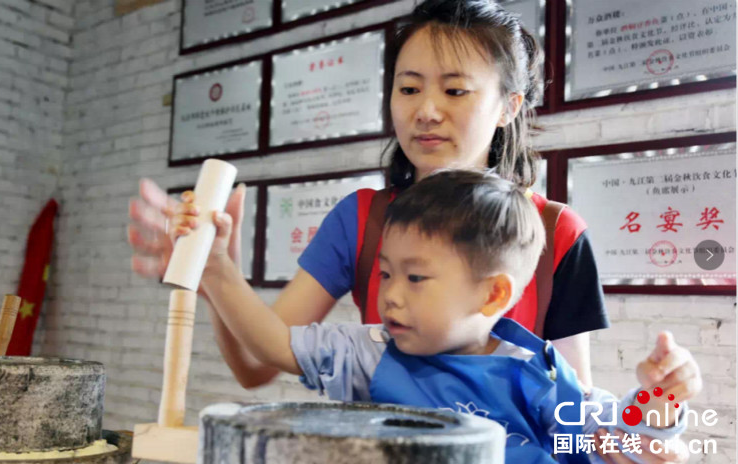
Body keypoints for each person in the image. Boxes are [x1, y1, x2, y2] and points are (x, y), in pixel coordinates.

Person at [128, 0, 688, 460]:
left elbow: (575, 425)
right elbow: (260, 361)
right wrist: (216, 274)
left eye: (455, 90)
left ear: (509, 105)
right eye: (409, 87)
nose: (426, 110)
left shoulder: (557, 233)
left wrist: (659, 422)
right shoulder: (362, 223)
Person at [197, 170, 702, 463]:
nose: (390, 296)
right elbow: (271, 344)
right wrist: (217, 269)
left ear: (492, 295)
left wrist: (659, 402)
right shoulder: (367, 352)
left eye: (415, 279)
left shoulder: (538, 376)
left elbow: (624, 445)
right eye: (387, 274)